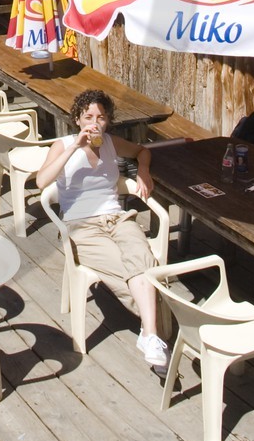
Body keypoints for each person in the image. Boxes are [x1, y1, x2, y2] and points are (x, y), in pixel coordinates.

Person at [34, 89, 168, 369]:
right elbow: (41, 181)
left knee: (140, 256)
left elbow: (143, 151)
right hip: (81, 225)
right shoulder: (63, 144)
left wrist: (142, 170)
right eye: (88, 117)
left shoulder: (110, 142)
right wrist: (74, 147)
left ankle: (149, 334)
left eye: (101, 117)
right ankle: (157, 326)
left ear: (108, 121)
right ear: (78, 119)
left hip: (116, 217)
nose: (94, 122)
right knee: (128, 269)